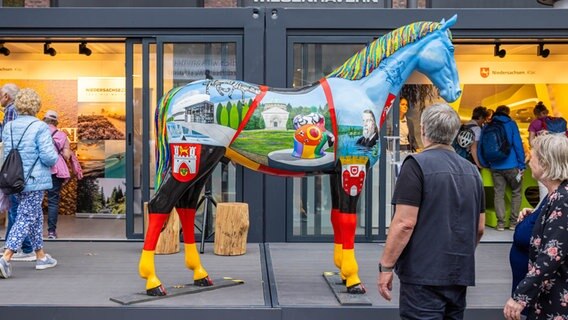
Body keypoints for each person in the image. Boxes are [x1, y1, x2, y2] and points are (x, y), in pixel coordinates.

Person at [377, 103, 485, 319]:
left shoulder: (416, 165)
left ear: (423, 129)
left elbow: (404, 223)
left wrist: (386, 267)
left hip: (422, 274)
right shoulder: (472, 171)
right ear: (454, 134)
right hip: (458, 273)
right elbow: (480, 227)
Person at [503, 134, 568, 320]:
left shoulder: (563, 199)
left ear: (546, 164)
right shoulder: (555, 195)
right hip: (546, 296)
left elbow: (551, 255)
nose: (530, 160)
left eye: (535, 156)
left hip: (556, 300)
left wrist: (520, 296)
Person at [0, 88, 59, 279]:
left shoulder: (8, 126)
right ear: (36, 106)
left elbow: (8, 152)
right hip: (34, 180)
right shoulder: (40, 127)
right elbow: (49, 157)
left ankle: (41, 257)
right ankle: (6, 257)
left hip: (14, 179)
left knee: (33, 216)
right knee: (26, 216)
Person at [1, 83, 36, 262]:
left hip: (17, 170)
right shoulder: (36, 125)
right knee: (25, 212)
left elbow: (8, 143)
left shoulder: (11, 113)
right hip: (22, 171)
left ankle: (16, 250)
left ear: (7, 95)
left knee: (19, 211)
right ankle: (16, 247)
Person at [478, 105, 525, 231]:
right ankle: (513, 223)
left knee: (498, 194)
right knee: (516, 192)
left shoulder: (487, 126)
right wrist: (522, 164)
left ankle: (500, 224)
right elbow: (518, 144)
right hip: (512, 166)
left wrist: (485, 163)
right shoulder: (511, 124)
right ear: (507, 113)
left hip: (495, 167)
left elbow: (480, 146)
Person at [43, 110, 83, 239]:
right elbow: (66, 155)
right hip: (56, 170)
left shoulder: (39, 132)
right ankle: (51, 232)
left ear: (44, 120)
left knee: (35, 200)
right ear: (56, 122)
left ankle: (34, 231)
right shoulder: (61, 135)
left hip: (40, 169)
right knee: (53, 201)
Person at [509, 194, 548, 317]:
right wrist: (532, 216)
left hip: (541, 289)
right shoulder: (554, 194)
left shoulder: (563, 196)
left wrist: (521, 295)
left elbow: (551, 258)